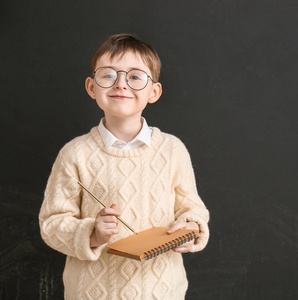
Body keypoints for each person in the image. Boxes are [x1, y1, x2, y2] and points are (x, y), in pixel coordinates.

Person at [39, 33, 210, 300]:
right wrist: (92, 233)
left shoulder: (172, 149)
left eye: (135, 76)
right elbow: (51, 225)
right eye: (108, 75)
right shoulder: (75, 154)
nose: (120, 84)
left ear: (154, 92)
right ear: (91, 86)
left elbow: (192, 208)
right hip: (91, 293)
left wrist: (190, 228)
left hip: (162, 291)